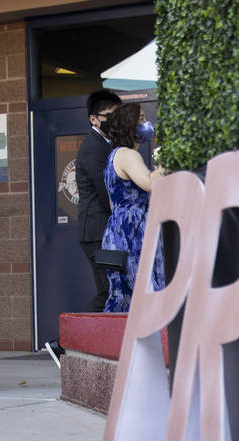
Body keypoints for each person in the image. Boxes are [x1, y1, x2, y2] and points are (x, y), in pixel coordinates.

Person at [99, 103, 167, 312]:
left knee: (123, 295)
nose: (146, 124)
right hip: (134, 231)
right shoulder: (128, 155)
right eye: (140, 119)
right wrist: (166, 160)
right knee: (143, 289)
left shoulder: (113, 156)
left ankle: (116, 342)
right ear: (129, 126)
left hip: (118, 230)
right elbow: (150, 183)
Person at [75, 89, 123, 313]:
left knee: (112, 290)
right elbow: (105, 191)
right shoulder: (93, 147)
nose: (115, 121)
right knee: (108, 292)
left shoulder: (106, 144)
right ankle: (64, 341)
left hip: (101, 230)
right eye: (109, 116)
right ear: (94, 119)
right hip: (96, 231)